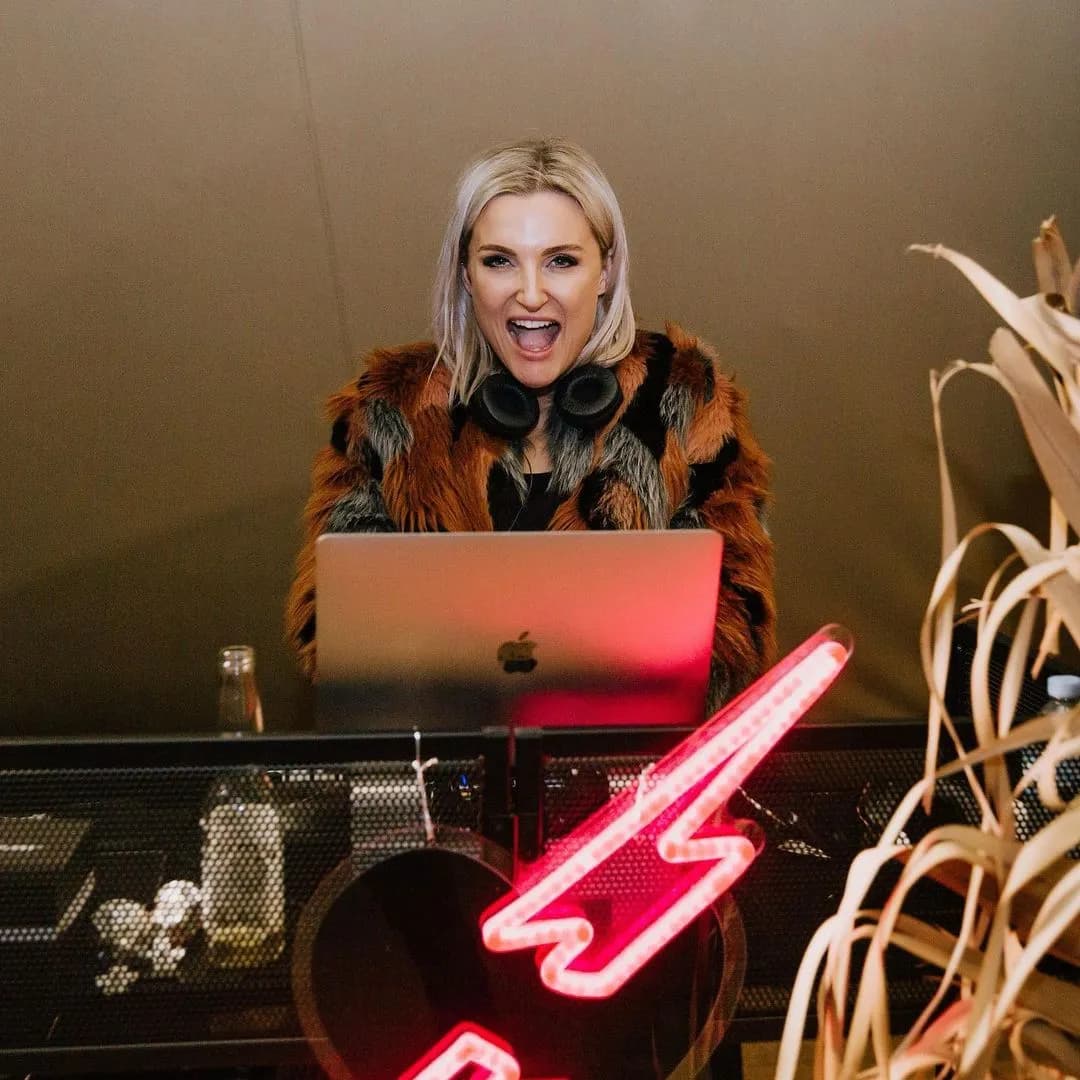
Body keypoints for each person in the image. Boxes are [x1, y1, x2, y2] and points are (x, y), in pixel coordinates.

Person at [286, 137, 775, 711]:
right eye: (499, 261)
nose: (531, 294)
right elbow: (339, 640)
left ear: (606, 271)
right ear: (467, 276)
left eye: (561, 261)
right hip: (448, 780)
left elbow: (735, 637)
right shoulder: (389, 413)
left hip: (634, 779)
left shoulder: (684, 400)